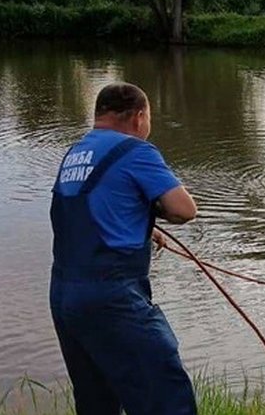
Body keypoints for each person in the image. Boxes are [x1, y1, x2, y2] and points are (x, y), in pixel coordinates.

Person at [49, 82, 199, 415]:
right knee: (166, 397)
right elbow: (184, 209)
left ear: (99, 115)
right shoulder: (136, 150)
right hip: (112, 298)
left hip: (64, 297)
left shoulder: (76, 153)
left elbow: (92, 215)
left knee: (96, 402)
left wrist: (143, 225)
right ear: (139, 116)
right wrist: (153, 209)